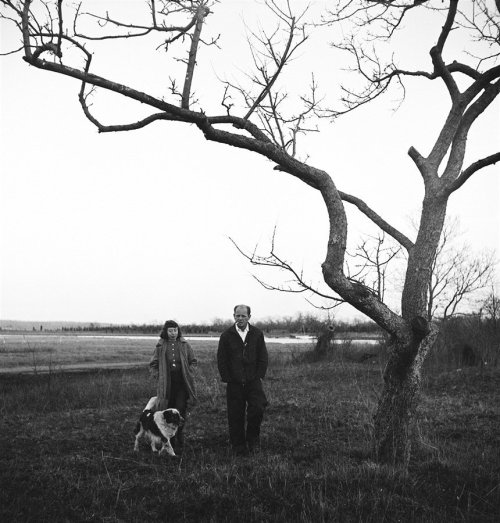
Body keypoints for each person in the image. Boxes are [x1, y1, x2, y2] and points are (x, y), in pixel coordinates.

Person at [217, 304, 268, 455]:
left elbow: (263, 357)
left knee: (257, 409)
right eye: (237, 316)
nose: (240, 319)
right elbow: (221, 359)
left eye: (243, 316)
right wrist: (228, 378)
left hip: (253, 381)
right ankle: (238, 445)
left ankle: (253, 440)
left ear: (249, 317)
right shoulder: (226, 335)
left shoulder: (257, 334)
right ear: (233, 316)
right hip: (234, 383)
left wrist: (259, 375)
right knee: (235, 414)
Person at [149, 320, 197, 454]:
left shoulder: (184, 344)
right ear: (166, 331)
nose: (173, 333)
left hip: (182, 383)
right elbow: (153, 364)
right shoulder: (160, 346)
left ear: (178, 331)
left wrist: (189, 372)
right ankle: (168, 438)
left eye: (175, 330)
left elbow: (193, 361)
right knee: (167, 410)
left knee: (180, 408)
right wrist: (158, 376)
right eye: (170, 331)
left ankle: (179, 434)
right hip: (167, 385)